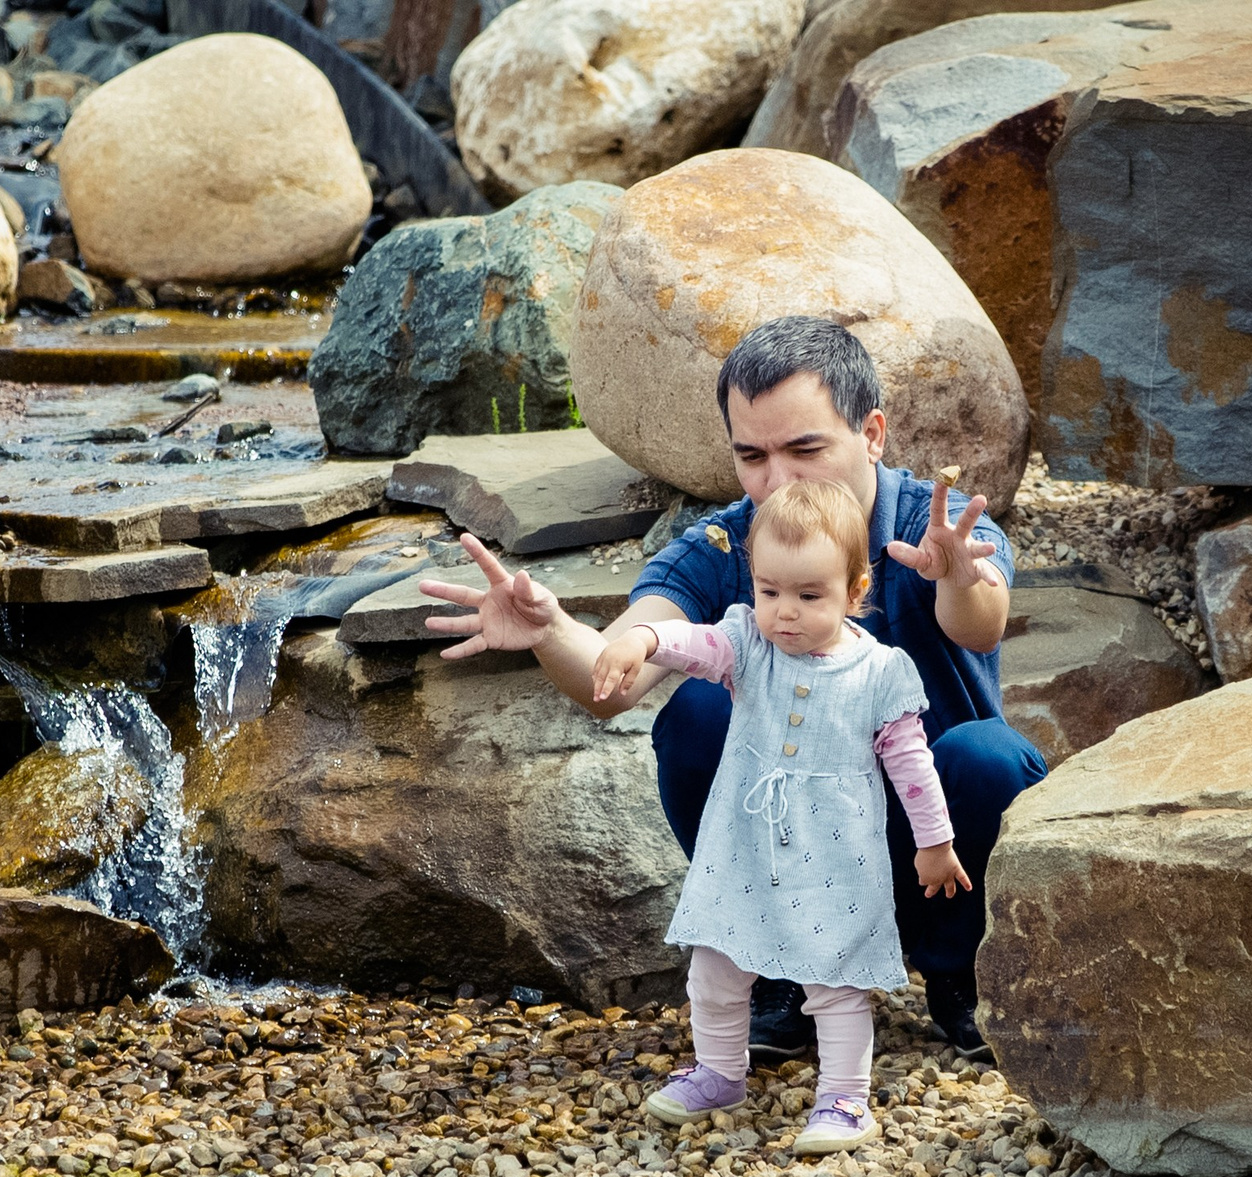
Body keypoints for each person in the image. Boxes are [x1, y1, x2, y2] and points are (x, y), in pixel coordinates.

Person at [418, 315, 1048, 1059]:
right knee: (695, 713)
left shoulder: (936, 524)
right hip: (800, 841)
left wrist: (955, 576)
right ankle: (782, 972)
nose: (776, 481)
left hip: (937, 833)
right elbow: (613, 678)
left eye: (804, 449)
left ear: (872, 432)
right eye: (752, 456)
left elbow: (979, 624)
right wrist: (549, 630)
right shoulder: (728, 543)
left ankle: (964, 976)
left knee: (987, 756)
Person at [585, 479, 965, 1153]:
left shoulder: (878, 672)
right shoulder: (748, 645)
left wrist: (934, 840)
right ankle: (720, 1072)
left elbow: (911, 762)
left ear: (854, 591)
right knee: (715, 969)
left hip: (836, 858)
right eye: (769, 591)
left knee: (836, 983)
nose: (785, 612)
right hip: (746, 851)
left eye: (809, 596)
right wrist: (643, 636)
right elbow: (691, 642)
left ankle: (845, 1097)